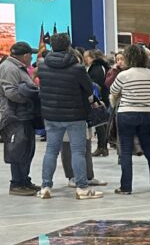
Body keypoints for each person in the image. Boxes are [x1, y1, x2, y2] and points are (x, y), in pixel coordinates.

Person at [35, 33, 102, 200]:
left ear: (51, 46)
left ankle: (45, 187)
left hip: (51, 115)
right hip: (75, 115)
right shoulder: (77, 68)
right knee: (78, 151)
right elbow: (88, 89)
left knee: (51, 151)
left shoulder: (42, 66)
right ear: (68, 46)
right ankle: (82, 188)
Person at [109, 44, 150, 194]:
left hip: (127, 113)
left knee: (126, 150)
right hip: (147, 114)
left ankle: (126, 187)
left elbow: (113, 90)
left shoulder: (124, 75)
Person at [0, 42, 41, 196]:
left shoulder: (16, 67)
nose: (32, 58)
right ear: (25, 56)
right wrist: (30, 99)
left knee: (26, 149)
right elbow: (11, 92)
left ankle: (24, 180)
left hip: (23, 114)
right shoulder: (9, 68)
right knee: (17, 150)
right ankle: (17, 183)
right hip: (15, 115)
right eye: (31, 55)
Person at [84, 49, 111, 156]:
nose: (84, 59)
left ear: (91, 57)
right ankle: (102, 146)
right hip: (101, 98)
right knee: (101, 123)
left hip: (99, 99)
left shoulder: (97, 68)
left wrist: (95, 99)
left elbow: (96, 84)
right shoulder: (100, 66)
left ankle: (102, 147)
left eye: (86, 57)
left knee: (100, 123)